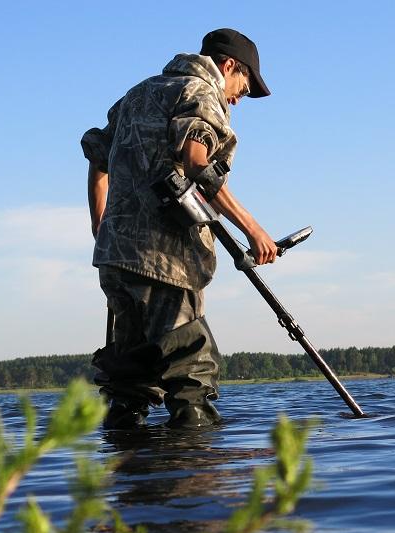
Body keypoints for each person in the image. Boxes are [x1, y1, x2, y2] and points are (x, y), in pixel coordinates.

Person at [82, 28, 278, 429]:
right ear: (228, 66)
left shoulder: (138, 94)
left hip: (115, 258)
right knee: (190, 372)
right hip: (164, 258)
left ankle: (132, 479)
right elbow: (195, 161)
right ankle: (194, 482)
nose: (240, 97)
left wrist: (100, 223)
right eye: (245, 84)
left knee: (128, 381)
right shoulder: (201, 92)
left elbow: (97, 159)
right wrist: (253, 229)